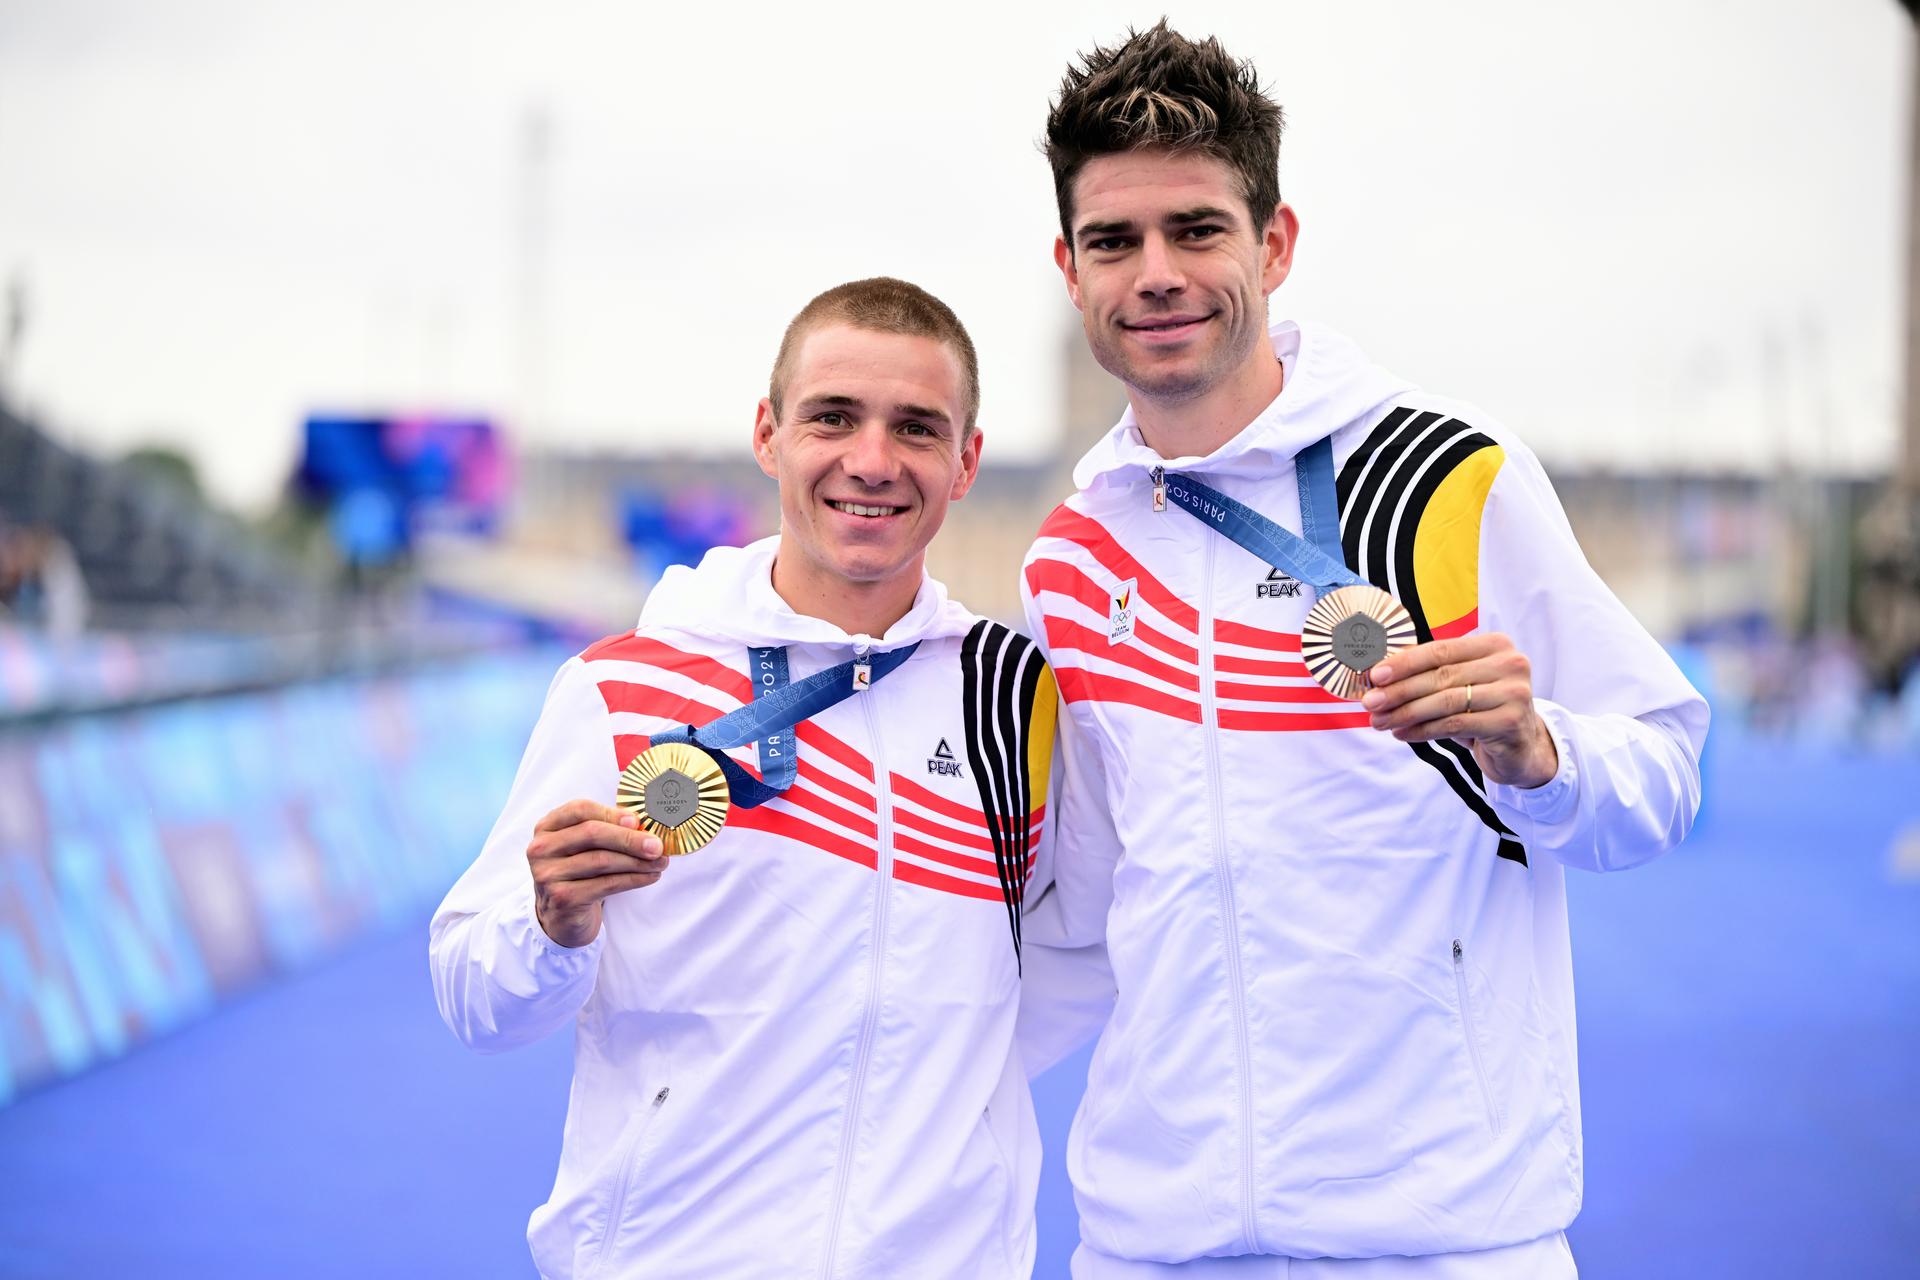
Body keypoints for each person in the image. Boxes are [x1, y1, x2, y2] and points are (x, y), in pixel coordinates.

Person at [1016, 23, 1709, 1279]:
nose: (1156, 273)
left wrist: (1542, 752)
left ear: (1274, 243)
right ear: (1071, 269)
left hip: (1442, 1237)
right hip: (1152, 1243)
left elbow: (1662, 774)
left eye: (1197, 229)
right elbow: (1091, 910)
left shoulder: (1449, 474)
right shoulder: (1068, 556)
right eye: (1114, 241)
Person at [431, 278, 1062, 1278]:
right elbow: (476, 996)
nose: (872, 460)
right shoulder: (622, 688)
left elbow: (1075, 951)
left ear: (967, 460)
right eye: (833, 417)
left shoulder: (1015, 698)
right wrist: (552, 926)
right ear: (769, 435)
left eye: (916, 427)